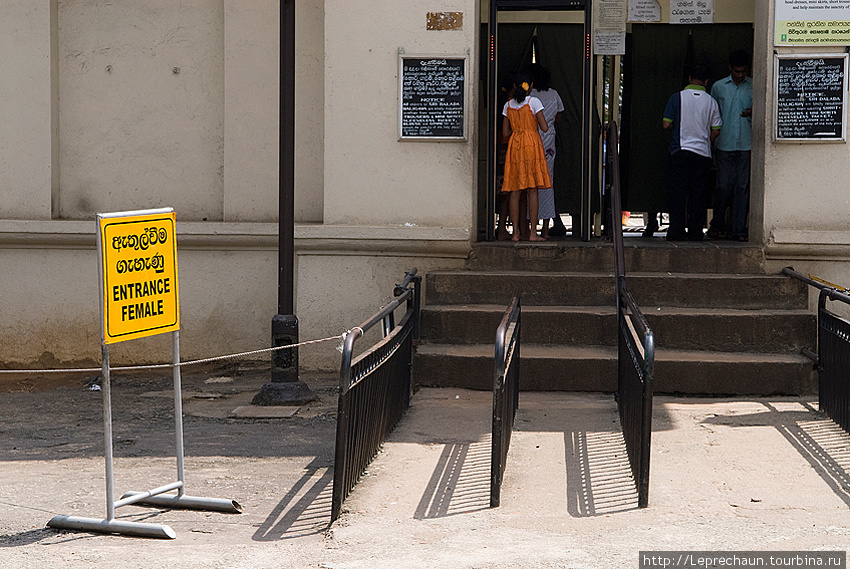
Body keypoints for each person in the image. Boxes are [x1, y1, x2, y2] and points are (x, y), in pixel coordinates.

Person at [662, 63, 722, 241]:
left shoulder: (676, 98)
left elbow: (666, 123)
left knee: (678, 193)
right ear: (706, 81)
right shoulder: (711, 101)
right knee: (698, 194)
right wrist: (705, 140)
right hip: (702, 153)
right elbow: (716, 129)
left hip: (679, 151)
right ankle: (696, 232)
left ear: (689, 78)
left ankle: (676, 232)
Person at [708, 49, 753, 242]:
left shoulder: (754, 86)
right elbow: (712, 114)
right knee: (722, 187)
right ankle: (717, 224)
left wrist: (753, 111)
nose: (740, 75)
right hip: (724, 143)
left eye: (743, 71)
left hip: (746, 143)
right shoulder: (718, 87)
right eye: (737, 71)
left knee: (742, 188)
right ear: (730, 69)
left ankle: (738, 229)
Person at [503, 72, 551, 242]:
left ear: (515, 86)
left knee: (515, 190)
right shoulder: (534, 102)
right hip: (531, 146)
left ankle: (515, 233)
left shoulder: (508, 105)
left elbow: (505, 133)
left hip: (515, 146)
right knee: (532, 190)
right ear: (530, 86)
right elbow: (544, 127)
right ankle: (532, 233)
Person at [528, 64, 564, 239]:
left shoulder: (531, 96)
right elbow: (559, 117)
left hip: (532, 139)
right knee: (547, 180)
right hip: (549, 138)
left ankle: (529, 226)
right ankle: (545, 228)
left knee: (530, 181)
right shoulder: (554, 94)